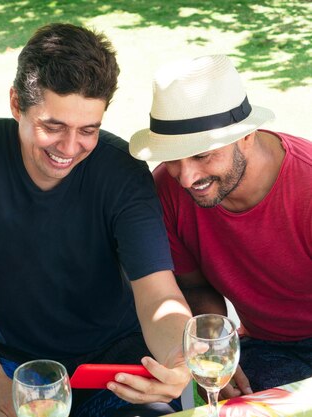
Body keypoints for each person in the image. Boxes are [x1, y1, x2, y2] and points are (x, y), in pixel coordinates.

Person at [0, 23, 192, 417]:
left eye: (88, 130)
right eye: (53, 126)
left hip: (110, 365)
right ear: (16, 104)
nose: (69, 148)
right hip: (8, 364)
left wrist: (177, 357)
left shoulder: (124, 173)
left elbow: (157, 295)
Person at [130, 54, 312, 397]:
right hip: (265, 344)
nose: (186, 177)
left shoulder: (307, 185)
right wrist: (213, 347)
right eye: (172, 157)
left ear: (246, 136)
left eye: (201, 154)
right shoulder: (166, 191)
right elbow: (195, 287)